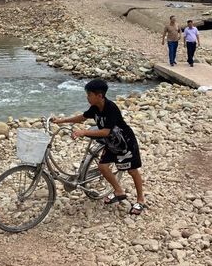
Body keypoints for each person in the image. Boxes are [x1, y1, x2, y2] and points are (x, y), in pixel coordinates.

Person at [51, 79, 145, 215]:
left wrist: (84, 132)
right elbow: (82, 117)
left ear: (99, 95)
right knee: (102, 167)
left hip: (125, 142)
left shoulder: (111, 108)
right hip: (111, 142)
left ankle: (140, 199)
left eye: (89, 94)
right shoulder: (95, 108)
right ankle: (119, 191)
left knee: (132, 171)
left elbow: (106, 131)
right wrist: (62, 120)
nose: (87, 97)